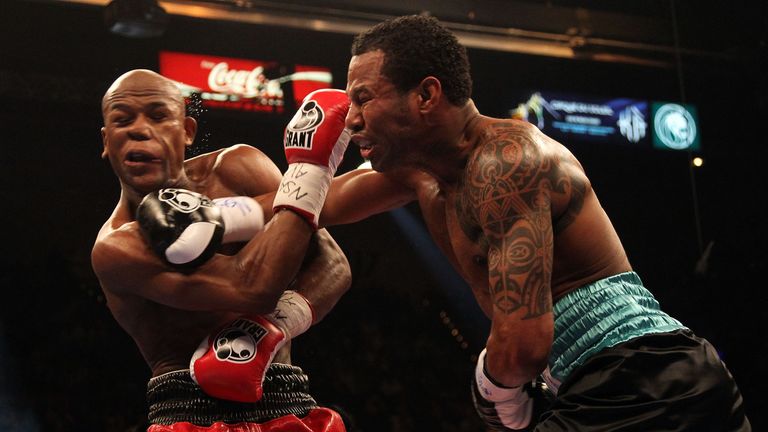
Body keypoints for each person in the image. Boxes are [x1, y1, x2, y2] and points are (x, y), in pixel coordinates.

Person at [315, 14, 751, 431]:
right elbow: (305, 203)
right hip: (610, 383)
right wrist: (295, 169)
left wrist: (493, 389)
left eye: (363, 98)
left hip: (643, 377)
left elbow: (524, 345)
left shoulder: (505, 162)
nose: (350, 118)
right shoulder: (421, 173)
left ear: (426, 96)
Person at [91, 69, 353, 431]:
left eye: (157, 115)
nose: (138, 128)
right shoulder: (116, 246)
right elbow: (250, 288)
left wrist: (272, 328)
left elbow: (333, 263)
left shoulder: (238, 170)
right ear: (106, 141)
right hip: (188, 412)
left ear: (187, 131)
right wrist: (310, 168)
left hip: (285, 398)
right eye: (122, 120)